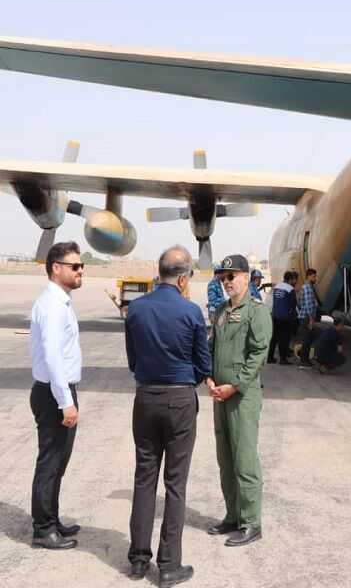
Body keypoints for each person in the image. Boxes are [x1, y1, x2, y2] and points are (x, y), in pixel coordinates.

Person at [124, 245, 210, 586]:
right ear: (184, 277)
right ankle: (169, 564)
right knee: (175, 485)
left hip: (145, 398)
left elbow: (132, 362)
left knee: (144, 478)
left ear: (159, 273)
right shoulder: (190, 312)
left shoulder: (136, 310)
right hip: (179, 401)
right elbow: (203, 365)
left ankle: (138, 559)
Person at [206, 254, 271, 547]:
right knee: (225, 459)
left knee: (244, 459)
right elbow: (211, 347)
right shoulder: (220, 310)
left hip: (242, 397)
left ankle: (251, 522)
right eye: (223, 277)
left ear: (246, 278)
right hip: (220, 395)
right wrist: (208, 377)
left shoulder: (256, 312)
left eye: (231, 276)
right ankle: (232, 515)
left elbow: (259, 354)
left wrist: (235, 386)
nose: (226, 281)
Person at [29, 241, 84, 550]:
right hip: (53, 394)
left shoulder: (61, 302)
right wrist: (66, 401)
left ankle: (52, 519)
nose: (80, 271)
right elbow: (52, 357)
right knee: (50, 462)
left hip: (57, 391)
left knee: (58, 462)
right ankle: (43, 529)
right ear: (56, 268)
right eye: (74, 266)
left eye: (81, 266)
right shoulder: (51, 305)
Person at [266, 271, 298, 365]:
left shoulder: (277, 287)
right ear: (290, 279)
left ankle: (269, 357)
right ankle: (283, 359)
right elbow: (293, 304)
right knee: (284, 338)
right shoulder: (290, 289)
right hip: (285, 317)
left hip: (275, 315)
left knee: (274, 337)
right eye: (293, 279)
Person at [297, 268, 318, 368]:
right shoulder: (308, 288)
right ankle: (303, 361)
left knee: (308, 339)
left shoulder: (305, 286)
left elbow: (301, 303)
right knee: (307, 339)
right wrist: (311, 320)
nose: (315, 279)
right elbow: (309, 305)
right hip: (306, 317)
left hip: (304, 316)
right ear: (308, 276)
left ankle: (305, 360)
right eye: (313, 277)